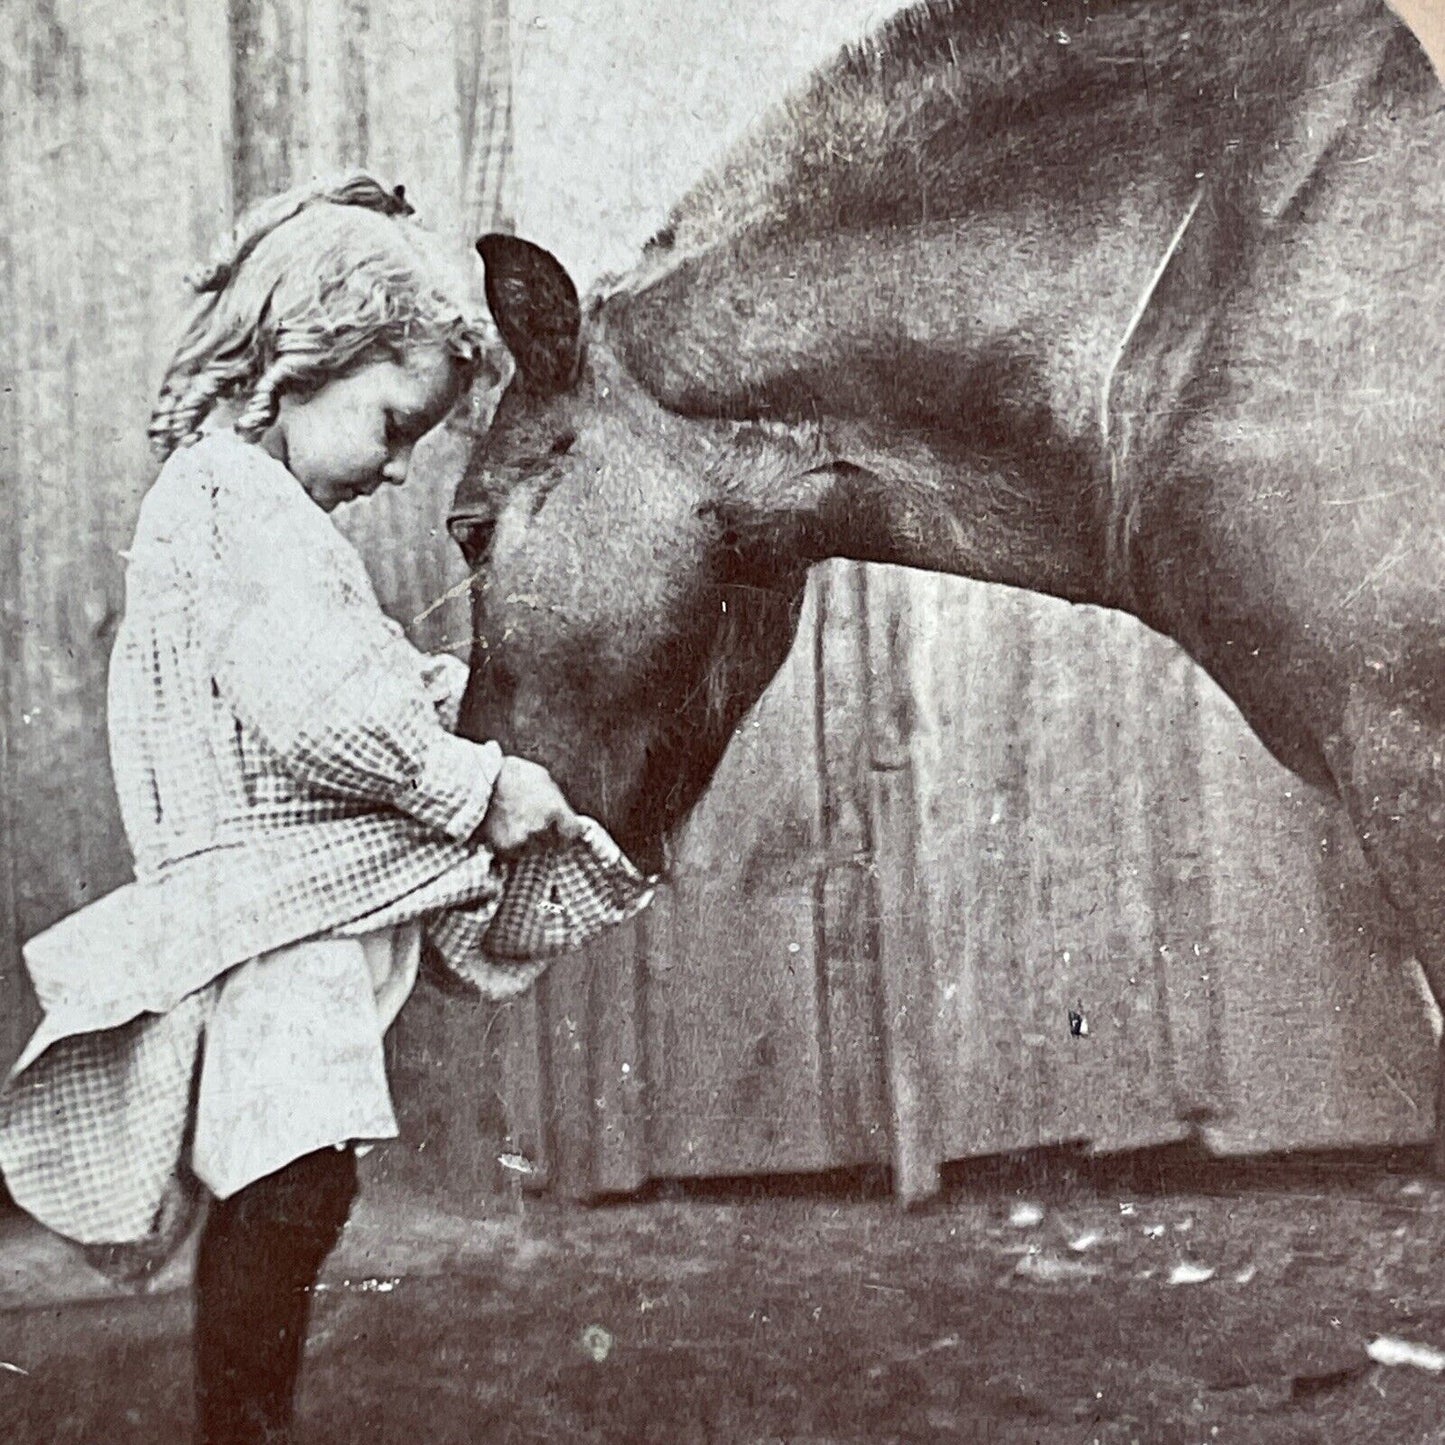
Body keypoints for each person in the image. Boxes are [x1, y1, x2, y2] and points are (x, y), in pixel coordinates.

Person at [0, 172, 628, 1445]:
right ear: (303, 360)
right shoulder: (234, 503)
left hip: (290, 909)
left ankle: (248, 1421)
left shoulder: (253, 509)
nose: (397, 467)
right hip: (271, 916)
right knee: (289, 1178)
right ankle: (242, 1428)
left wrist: (447, 700)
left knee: (293, 1177)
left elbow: (342, 680)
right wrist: (472, 777)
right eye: (392, 425)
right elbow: (318, 709)